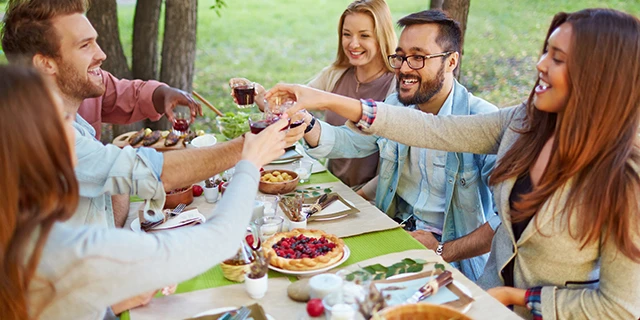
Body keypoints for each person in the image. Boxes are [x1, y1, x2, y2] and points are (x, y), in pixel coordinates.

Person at [266, 8, 640, 319]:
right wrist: (324, 100)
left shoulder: (625, 177)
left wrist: (518, 299)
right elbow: (434, 131)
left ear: (600, 76)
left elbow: (621, 306)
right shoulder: (523, 123)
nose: (540, 64)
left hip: (498, 298)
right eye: (546, 52)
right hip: (485, 301)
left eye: (557, 58)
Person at [0, 65, 288, 320]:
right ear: (35, 143)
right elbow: (221, 239)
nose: (80, 131)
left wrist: (107, 309)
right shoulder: (71, 250)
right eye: (64, 119)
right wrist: (249, 161)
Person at [281, 10, 500, 281]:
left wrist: (443, 249)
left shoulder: (483, 121)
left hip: (453, 263)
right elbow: (350, 143)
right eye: (401, 56)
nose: (405, 68)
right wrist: (307, 123)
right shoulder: (396, 104)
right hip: (391, 232)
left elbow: (507, 220)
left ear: (451, 61)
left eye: (418, 57)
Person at [1, 0, 241, 229]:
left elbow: (114, 181)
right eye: (85, 45)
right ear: (45, 64)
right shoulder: (45, 136)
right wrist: (246, 146)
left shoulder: (65, 112)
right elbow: (158, 174)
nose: (102, 54)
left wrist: (119, 173)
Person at [231, 0, 397, 189]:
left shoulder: (396, 85)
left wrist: (361, 197)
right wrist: (259, 94)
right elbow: (291, 107)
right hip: (334, 184)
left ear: (382, 37)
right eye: (346, 34)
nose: (353, 43)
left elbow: (396, 164)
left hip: (373, 198)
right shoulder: (335, 74)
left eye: (364, 35)